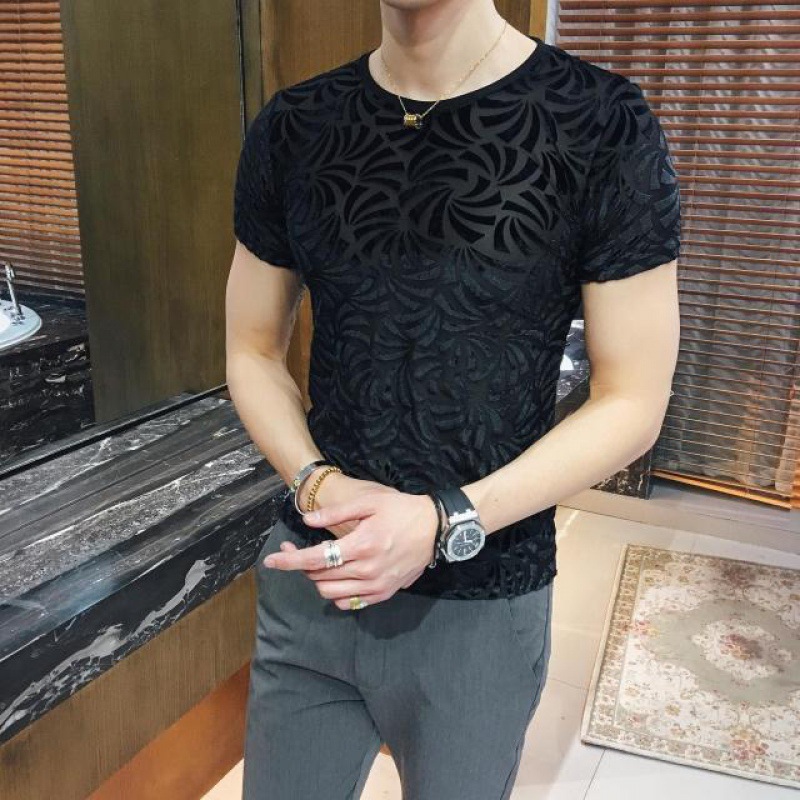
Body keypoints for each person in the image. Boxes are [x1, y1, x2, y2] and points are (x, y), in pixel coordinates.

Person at [225, 1, 681, 797]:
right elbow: (251, 349)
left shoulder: (600, 122)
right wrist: (317, 483)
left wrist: (443, 519)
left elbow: (632, 400)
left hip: (482, 598)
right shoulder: (295, 125)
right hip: (317, 579)